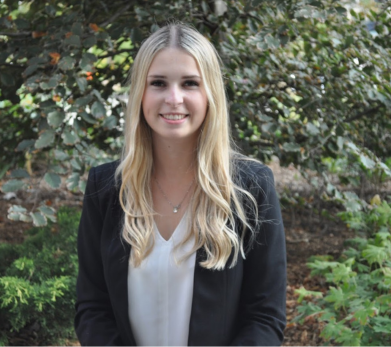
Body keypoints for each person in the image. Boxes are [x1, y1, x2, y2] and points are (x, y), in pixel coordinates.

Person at [74, 22, 286, 346]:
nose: (174, 98)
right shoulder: (106, 189)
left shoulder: (251, 189)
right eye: (158, 83)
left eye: (190, 83)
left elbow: (264, 316)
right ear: (140, 93)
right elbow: (92, 307)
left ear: (210, 92)